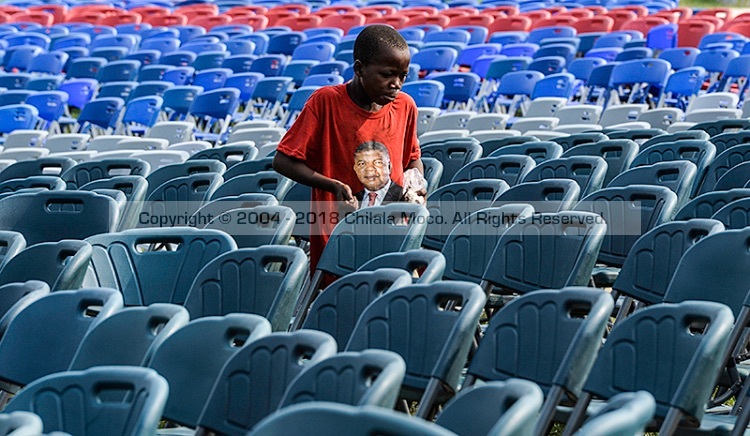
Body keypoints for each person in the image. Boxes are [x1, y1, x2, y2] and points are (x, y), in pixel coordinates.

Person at [273, 24, 424, 272]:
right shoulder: (326, 102)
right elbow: (283, 160)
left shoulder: (405, 106)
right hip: (338, 232)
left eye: (403, 76)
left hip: (391, 231)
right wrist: (331, 185)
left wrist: (416, 184)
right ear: (359, 68)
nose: (396, 84)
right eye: (387, 75)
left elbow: (412, 160)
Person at [352, 141, 404, 208]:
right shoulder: (353, 200)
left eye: (377, 162)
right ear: (355, 169)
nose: (369, 169)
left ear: (389, 167)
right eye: (362, 164)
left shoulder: (403, 196)